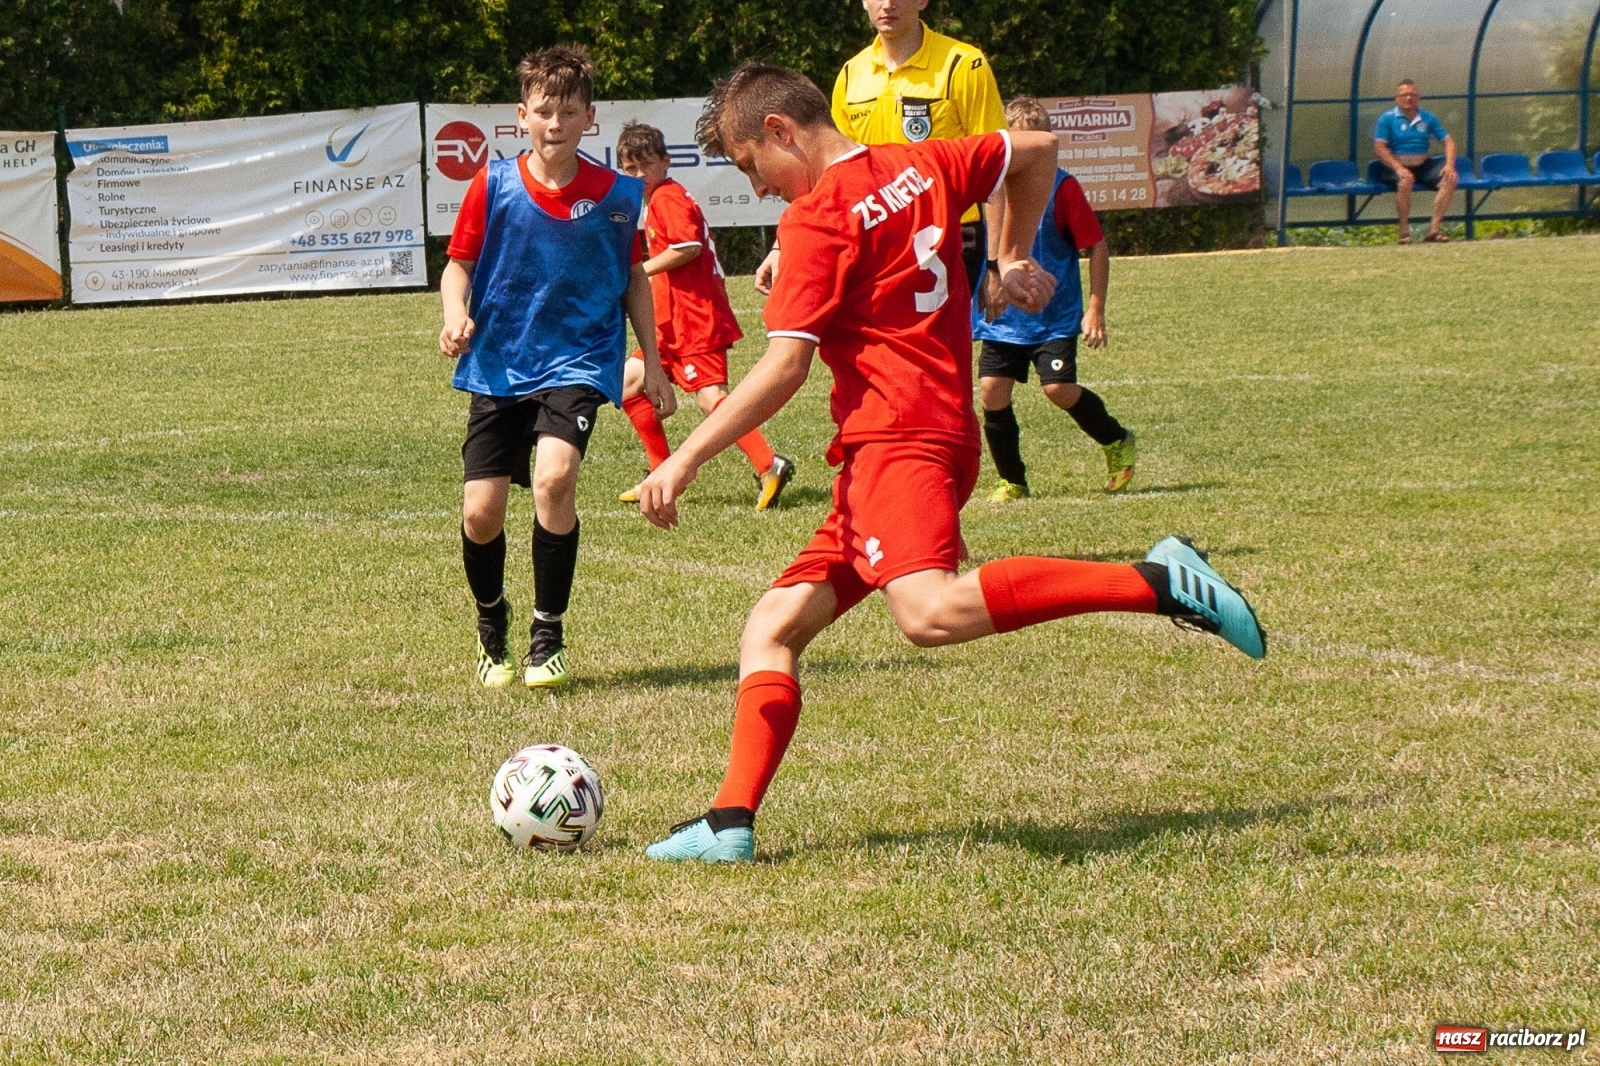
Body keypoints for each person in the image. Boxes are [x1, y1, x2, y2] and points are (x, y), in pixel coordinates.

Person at [635, 63, 1267, 864]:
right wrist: (1005, 256)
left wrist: (686, 457)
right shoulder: (918, 163)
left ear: (779, 132)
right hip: (913, 439)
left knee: (928, 612)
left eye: (751, 168)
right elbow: (1036, 151)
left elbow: (783, 368)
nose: (759, 191)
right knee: (772, 625)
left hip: (899, 440)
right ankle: (729, 823)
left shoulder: (817, 218)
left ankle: (1157, 582)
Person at [439, 44, 674, 690]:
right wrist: (455, 313)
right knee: (481, 515)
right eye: (544, 111)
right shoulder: (492, 186)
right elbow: (457, 265)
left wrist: (650, 363)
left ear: (589, 119)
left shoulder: (619, 196)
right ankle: (493, 625)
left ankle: (549, 633)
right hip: (497, 363)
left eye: (568, 112)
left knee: (555, 479)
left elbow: (634, 279)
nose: (555, 123)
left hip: (577, 359)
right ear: (522, 115)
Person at [752, 0, 1006, 301]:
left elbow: (997, 165)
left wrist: (997, 262)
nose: (887, 5)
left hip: (948, 232)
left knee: (941, 343)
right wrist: (783, 245)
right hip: (876, 234)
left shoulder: (963, 63)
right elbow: (830, 174)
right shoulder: (851, 74)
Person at [611, 122, 796, 511]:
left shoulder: (667, 198)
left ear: (666, 161)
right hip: (669, 321)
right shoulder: (658, 198)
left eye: (646, 165)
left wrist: (638, 272)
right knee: (628, 384)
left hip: (694, 318)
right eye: (630, 168)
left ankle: (769, 463)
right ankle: (660, 473)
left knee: (712, 398)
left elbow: (688, 247)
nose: (639, 176)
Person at [974, 96, 1135, 501]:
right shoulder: (990, 192)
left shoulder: (1062, 189)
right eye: (1017, 149)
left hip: (1053, 316)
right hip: (1004, 318)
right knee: (992, 391)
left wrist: (1095, 307)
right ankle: (1013, 481)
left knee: (1058, 389)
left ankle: (1116, 440)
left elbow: (1096, 245)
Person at [1373, 80, 1459, 244]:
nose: (1408, 98)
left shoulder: (1428, 117)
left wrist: (1449, 165)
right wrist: (1398, 168)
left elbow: (1449, 141)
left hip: (1423, 165)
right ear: (1397, 98)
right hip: (1396, 166)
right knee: (1405, 181)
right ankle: (1404, 233)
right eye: (1404, 95)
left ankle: (1433, 230)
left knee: (1450, 179)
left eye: (1412, 95)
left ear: (1418, 97)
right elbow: (1379, 148)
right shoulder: (1387, 118)